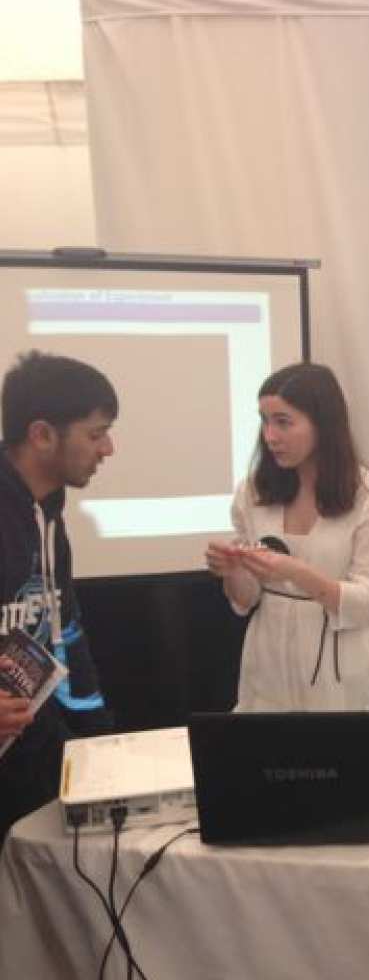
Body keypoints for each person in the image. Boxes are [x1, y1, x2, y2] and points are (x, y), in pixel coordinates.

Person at [205, 363, 369, 711]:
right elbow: (245, 600)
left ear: (323, 424)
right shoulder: (252, 492)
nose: (270, 436)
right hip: (270, 663)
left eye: (283, 422)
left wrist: (292, 570)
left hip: (343, 669)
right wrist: (232, 570)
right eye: (264, 421)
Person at [0, 351, 117, 841]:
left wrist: (103, 745)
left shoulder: (49, 514)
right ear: (42, 434)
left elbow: (65, 631)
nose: (108, 448)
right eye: (95, 433)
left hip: (33, 750)